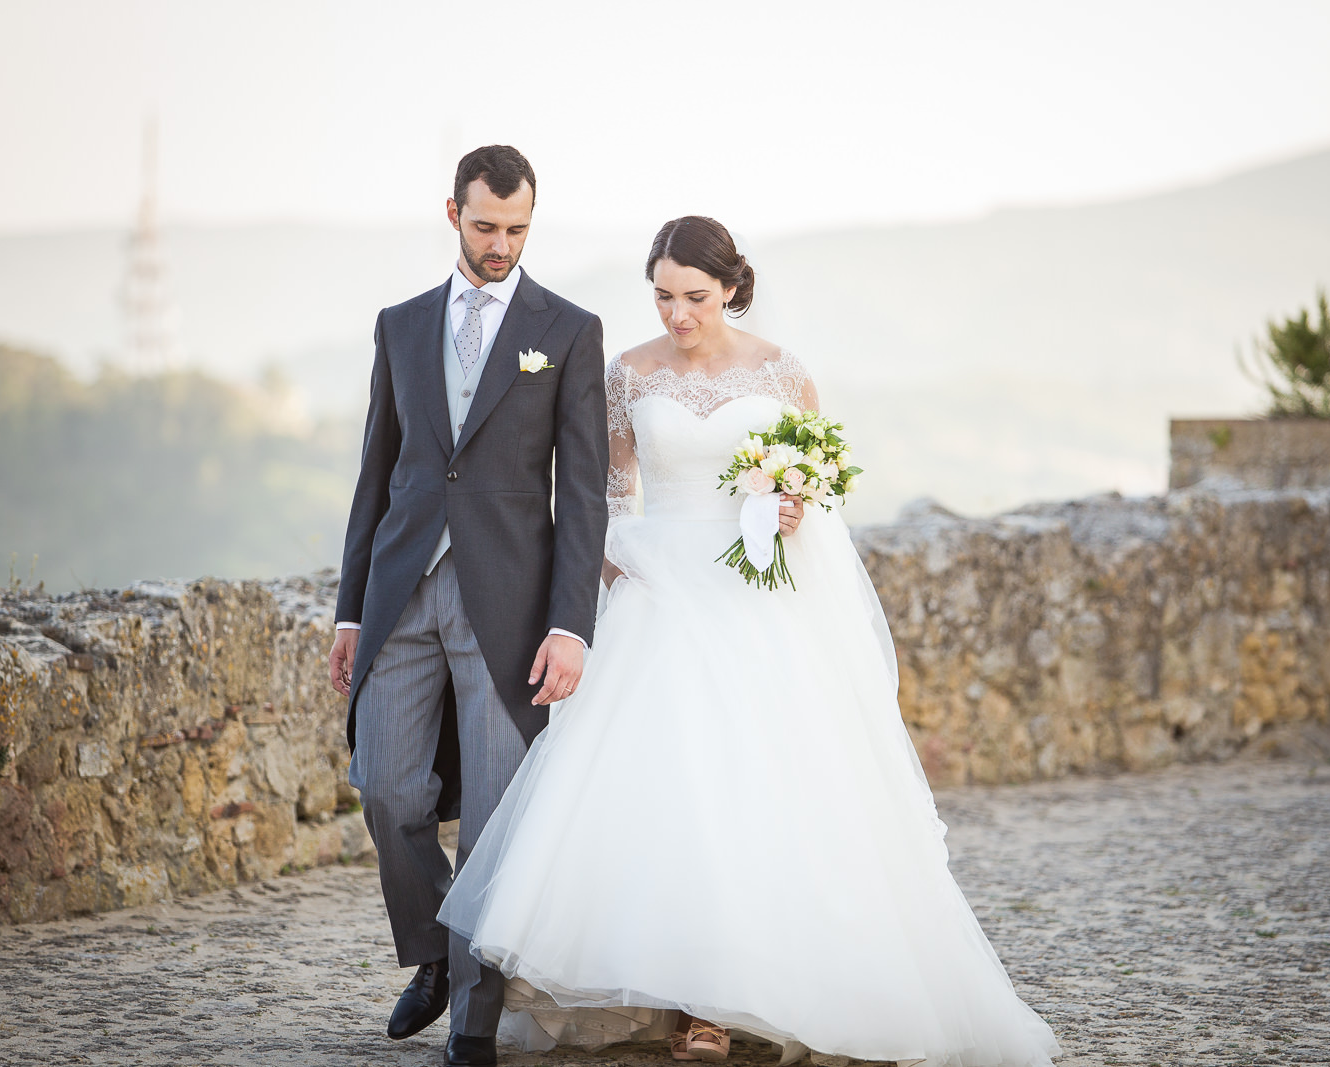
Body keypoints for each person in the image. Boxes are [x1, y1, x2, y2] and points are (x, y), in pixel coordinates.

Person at [438, 216, 1061, 1067]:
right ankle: (682, 996)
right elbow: (609, 502)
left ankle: (736, 1002)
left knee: (764, 792)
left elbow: (821, 500)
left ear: (731, 286)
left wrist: (796, 509)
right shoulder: (627, 374)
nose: (677, 313)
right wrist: (635, 577)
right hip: (661, 592)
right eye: (661, 295)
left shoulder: (784, 371)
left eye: (694, 296)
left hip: (764, 598)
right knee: (673, 793)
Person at [328, 145, 609, 1067]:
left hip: (512, 608)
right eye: (486, 226)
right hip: (400, 591)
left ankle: (474, 1024)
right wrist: (348, 611)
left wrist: (571, 623)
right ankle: (436, 951)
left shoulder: (566, 329)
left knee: (493, 818)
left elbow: (586, 494)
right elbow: (377, 473)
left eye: (518, 229)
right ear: (452, 212)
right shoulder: (400, 325)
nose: (501, 245)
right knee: (387, 787)